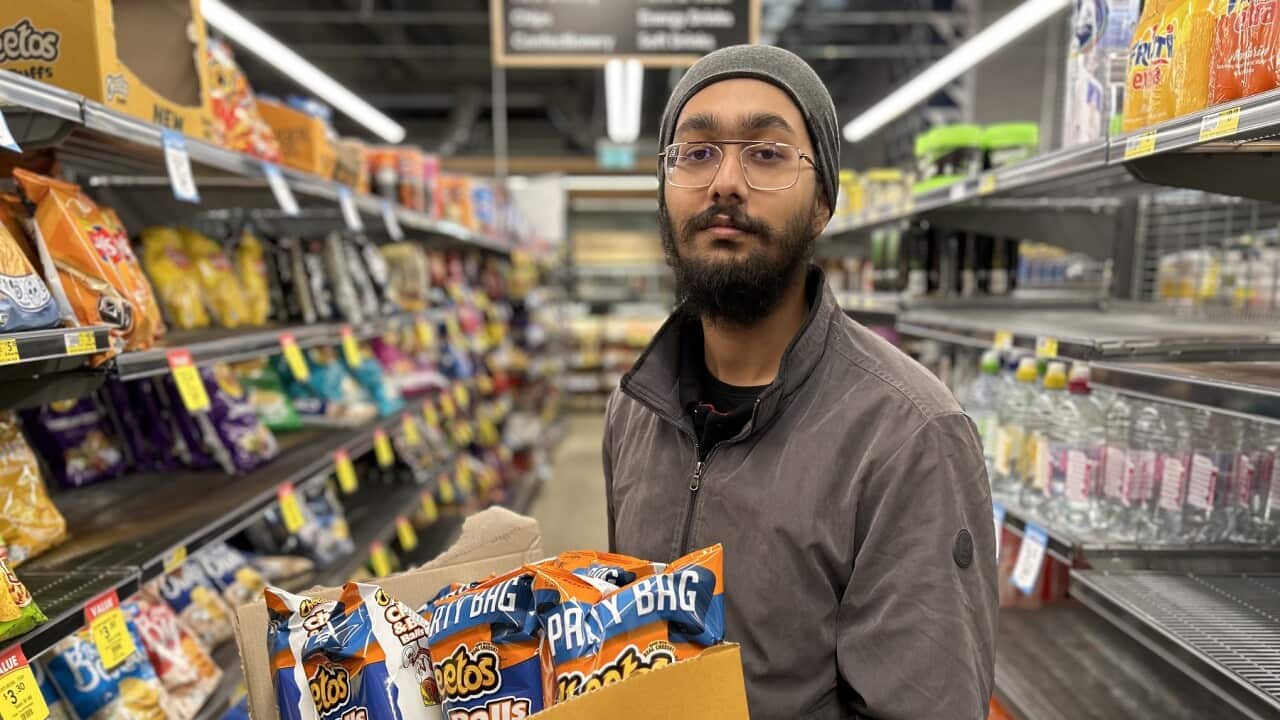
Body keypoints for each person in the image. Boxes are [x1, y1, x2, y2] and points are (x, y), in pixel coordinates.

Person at [601, 45, 998, 719]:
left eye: (766, 153)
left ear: (822, 203)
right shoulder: (634, 410)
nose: (724, 180)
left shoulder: (908, 437)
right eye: (695, 153)